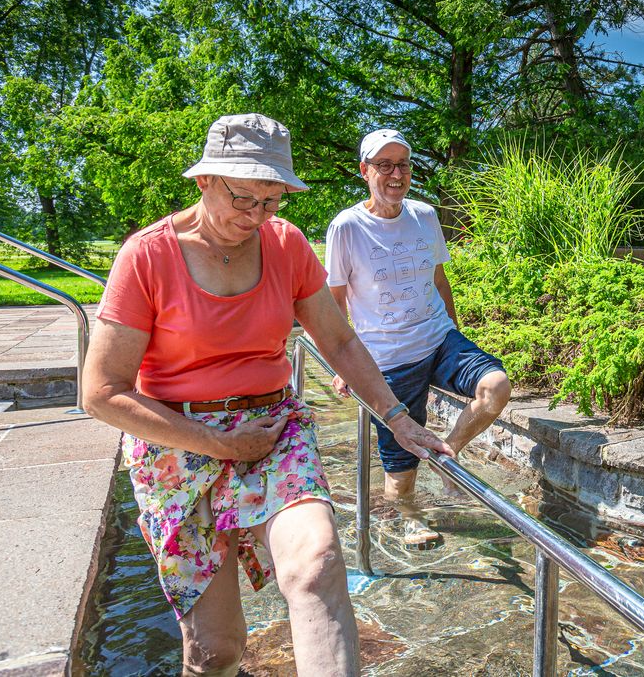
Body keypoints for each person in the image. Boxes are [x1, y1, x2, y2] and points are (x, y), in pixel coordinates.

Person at [82, 114, 452, 676]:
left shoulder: (286, 243)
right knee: (216, 651)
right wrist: (218, 443)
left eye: (272, 200)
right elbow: (102, 393)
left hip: (275, 427)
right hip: (176, 443)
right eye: (244, 198)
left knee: (318, 562)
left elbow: (340, 341)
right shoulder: (147, 256)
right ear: (204, 180)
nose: (257, 216)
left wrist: (397, 418)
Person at [325, 129, 511, 550]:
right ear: (365, 171)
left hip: (439, 337)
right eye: (384, 164)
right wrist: (344, 365)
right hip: (387, 358)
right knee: (399, 472)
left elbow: (440, 280)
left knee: (496, 386)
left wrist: (456, 331)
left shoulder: (425, 215)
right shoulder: (347, 227)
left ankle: (447, 452)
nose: (396, 173)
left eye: (403, 164)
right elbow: (335, 300)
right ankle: (410, 519)